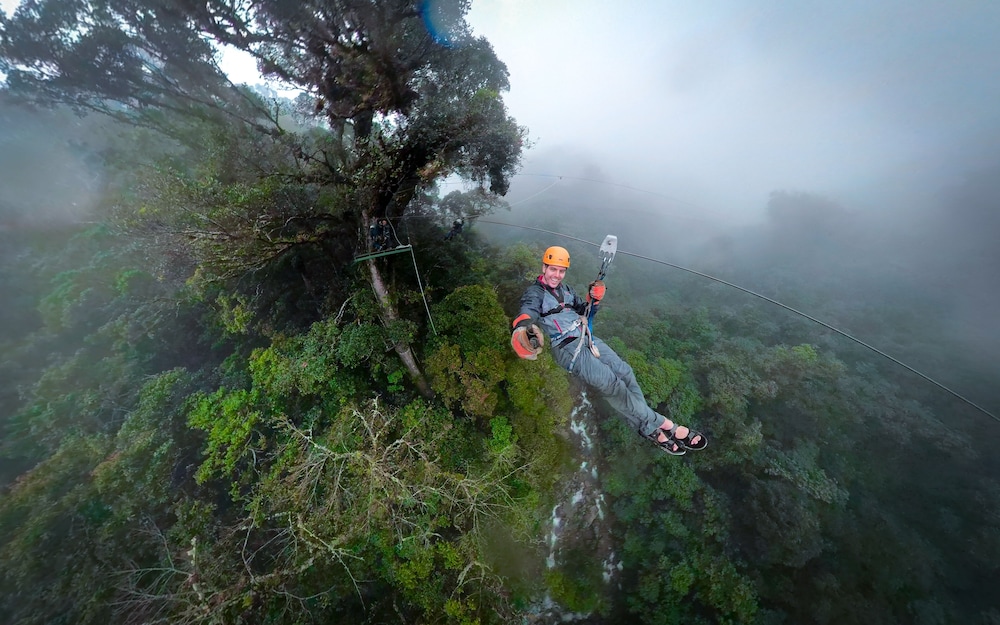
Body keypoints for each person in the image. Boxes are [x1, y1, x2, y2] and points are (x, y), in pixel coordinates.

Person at [510, 245, 707, 455]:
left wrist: (593, 299)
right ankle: (669, 427)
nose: (556, 275)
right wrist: (522, 328)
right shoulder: (535, 293)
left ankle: (650, 430)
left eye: (561, 270)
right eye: (552, 269)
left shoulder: (566, 290)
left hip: (586, 337)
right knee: (614, 386)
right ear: (544, 267)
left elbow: (584, 310)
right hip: (568, 348)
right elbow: (527, 311)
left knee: (625, 372)